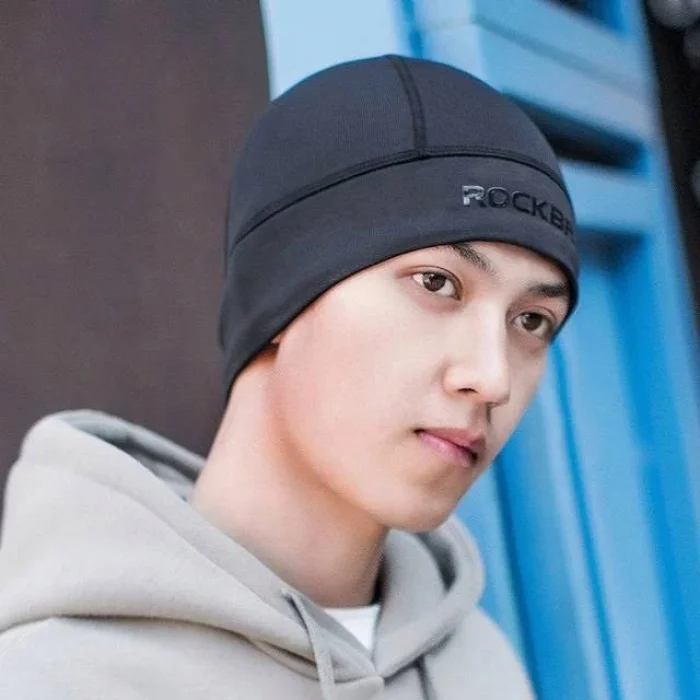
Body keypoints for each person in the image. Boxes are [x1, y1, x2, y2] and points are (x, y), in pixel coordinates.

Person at [0, 55, 578, 699]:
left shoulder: (484, 668)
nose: (492, 378)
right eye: (437, 283)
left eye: (532, 321)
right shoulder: (49, 681)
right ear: (283, 291)